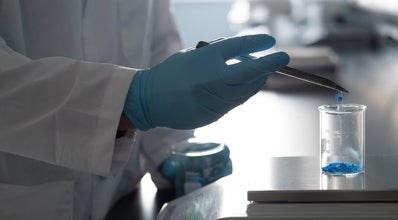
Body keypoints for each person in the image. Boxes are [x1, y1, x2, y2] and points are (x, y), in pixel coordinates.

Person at [0, 1, 289, 220]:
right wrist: (131, 99)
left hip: (118, 198)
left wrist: (169, 150)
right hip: (21, 198)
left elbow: (156, 42)